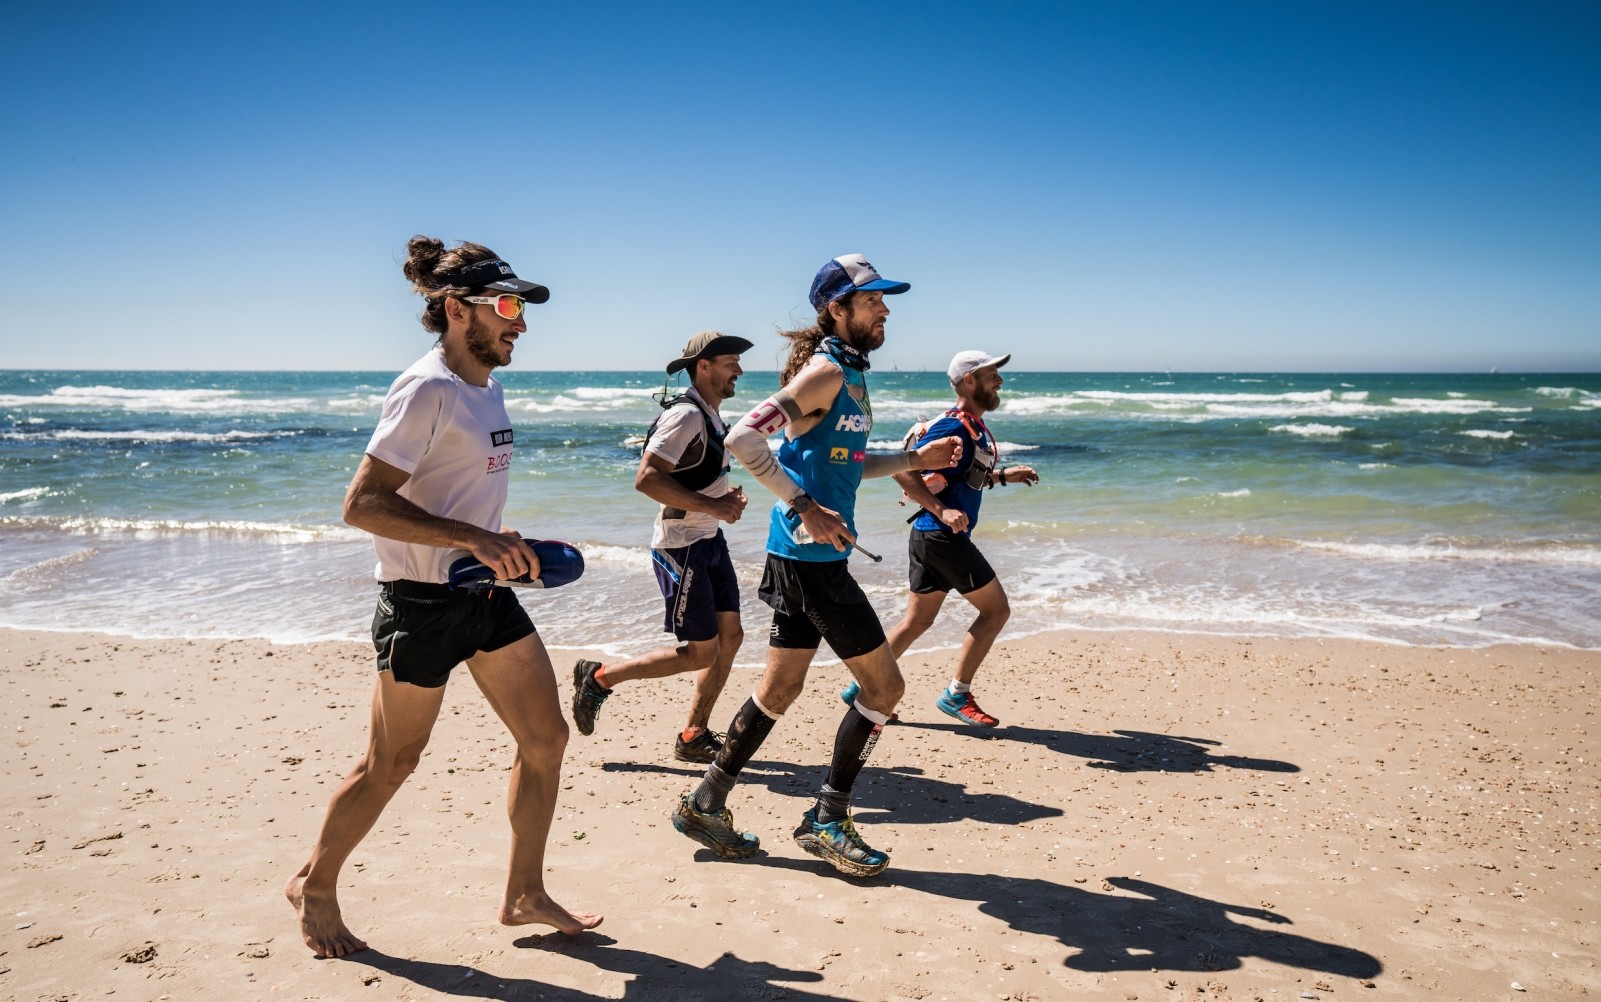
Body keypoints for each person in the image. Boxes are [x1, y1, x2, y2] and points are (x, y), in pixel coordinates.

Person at [285, 236, 601, 958]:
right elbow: (362, 504)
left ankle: (523, 894)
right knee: (390, 765)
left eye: (521, 308)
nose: (520, 322)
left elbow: (455, 493)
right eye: (506, 307)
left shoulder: (485, 387)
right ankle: (316, 885)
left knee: (546, 739)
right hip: (419, 607)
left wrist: (496, 540)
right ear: (458, 310)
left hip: (483, 596)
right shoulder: (425, 388)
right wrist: (470, 535)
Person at [668, 254, 958, 877]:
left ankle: (704, 802)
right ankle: (827, 818)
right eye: (872, 300)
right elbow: (743, 438)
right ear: (837, 308)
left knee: (780, 689)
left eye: (883, 299)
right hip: (811, 560)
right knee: (885, 689)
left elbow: (848, 463)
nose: (884, 310)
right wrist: (804, 504)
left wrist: (913, 460)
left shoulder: (848, 376)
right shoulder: (825, 373)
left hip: (798, 555)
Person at [570, 331, 753, 762]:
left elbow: (693, 476)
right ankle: (600, 678)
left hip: (709, 540)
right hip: (681, 548)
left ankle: (693, 735)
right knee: (701, 652)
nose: (739, 370)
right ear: (703, 366)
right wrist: (714, 504)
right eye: (730, 362)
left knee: (731, 637)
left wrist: (723, 500)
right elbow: (647, 478)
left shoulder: (710, 414)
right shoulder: (685, 415)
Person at [840, 350, 1040, 728]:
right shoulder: (953, 427)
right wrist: (941, 509)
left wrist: (1003, 477)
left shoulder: (972, 426)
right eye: (992, 375)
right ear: (969, 381)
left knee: (917, 621)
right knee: (996, 611)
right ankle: (956, 694)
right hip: (942, 538)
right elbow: (903, 470)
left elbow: (961, 478)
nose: (999, 381)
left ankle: (861, 687)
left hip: (927, 537)